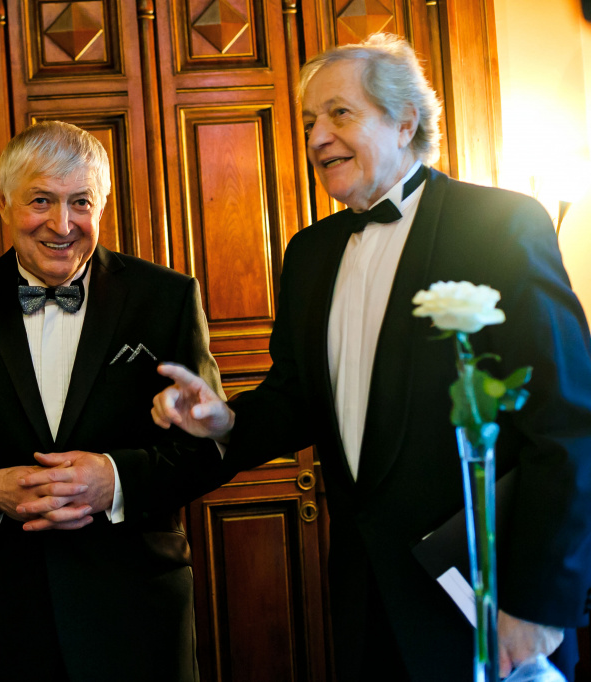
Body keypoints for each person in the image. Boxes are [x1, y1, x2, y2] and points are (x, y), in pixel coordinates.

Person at [151, 34, 591, 681]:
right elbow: (296, 400)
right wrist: (225, 420)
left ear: (405, 121)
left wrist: (538, 603)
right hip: (365, 603)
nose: (316, 137)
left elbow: (569, 423)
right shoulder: (309, 254)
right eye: (309, 121)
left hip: (490, 601)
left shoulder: (500, 224)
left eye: (339, 113)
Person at [0, 120, 226, 682]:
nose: (62, 225)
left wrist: (115, 480)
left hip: (136, 616)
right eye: (40, 200)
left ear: (102, 204)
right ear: (3, 200)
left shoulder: (166, 299)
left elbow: (210, 449)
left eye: (80, 202)